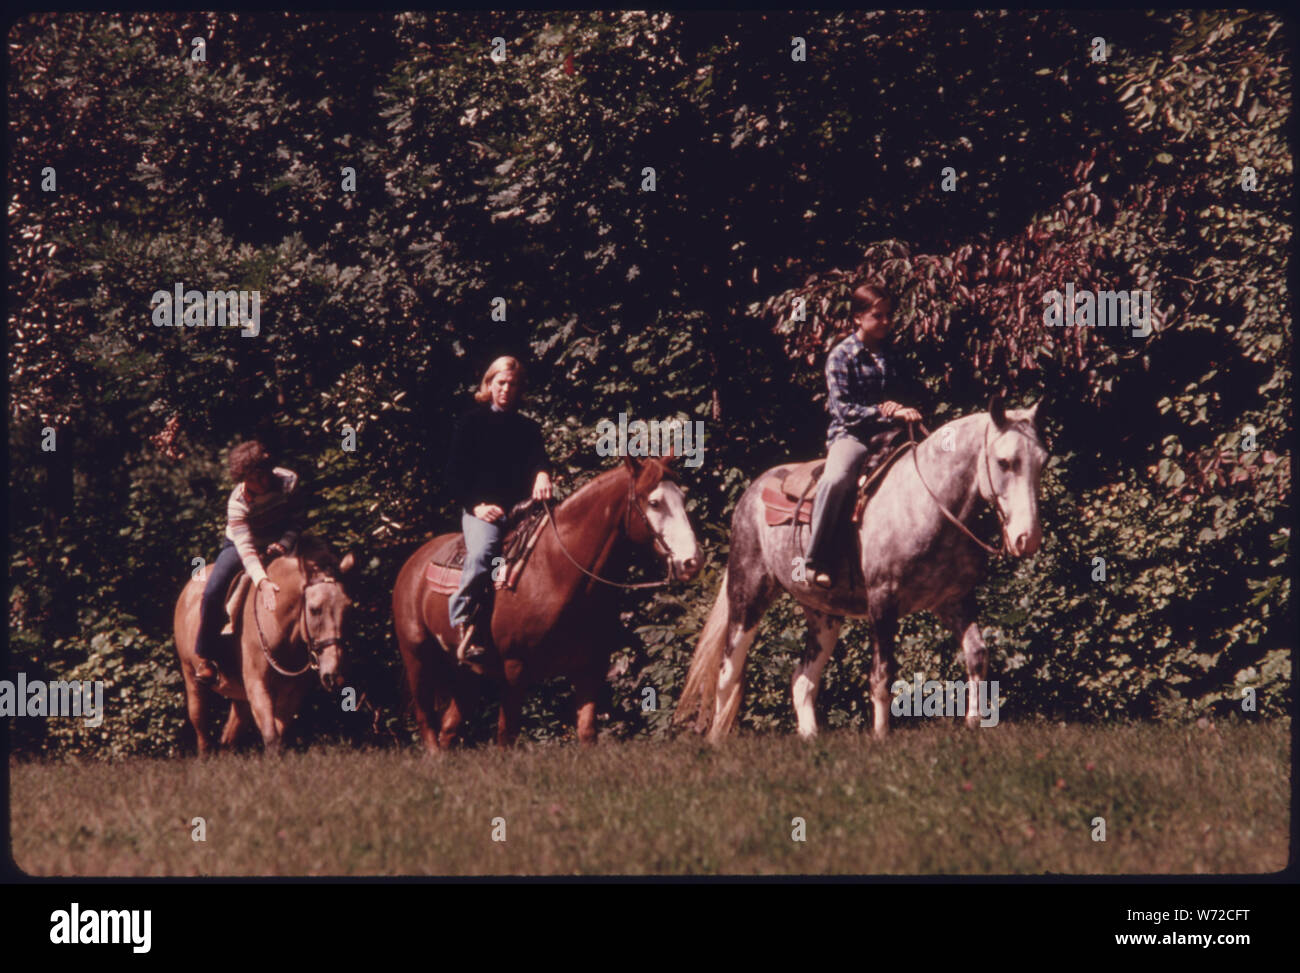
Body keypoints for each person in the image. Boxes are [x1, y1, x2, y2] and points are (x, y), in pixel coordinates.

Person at [804, 283, 922, 589]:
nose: (885, 322)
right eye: (877, 315)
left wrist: (904, 410)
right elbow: (843, 410)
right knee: (837, 478)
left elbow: (906, 394)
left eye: (888, 315)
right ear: (858, 317)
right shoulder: (841, 356)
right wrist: (884, 411)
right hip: (852, 436)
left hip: (893, 434)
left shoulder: (894, 355)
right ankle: (816, 559)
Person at [446, 356, 553, 663]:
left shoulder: (528, 428)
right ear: (489, 384)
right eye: (501, 383)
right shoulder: (471, 423)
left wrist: (543, 474)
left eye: (513, 384)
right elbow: (453, 476)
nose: (506, 389)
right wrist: (476, 506)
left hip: (523, 510)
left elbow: (538, 460)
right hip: (483, 512)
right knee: (483, 554)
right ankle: (463, 619)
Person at [194, 440, 303, 684]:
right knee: (213, 590)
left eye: (264, 476)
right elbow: (247, 549)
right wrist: (262, 580)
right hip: (242, 545)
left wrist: (283, 545)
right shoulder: (237, 504)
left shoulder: (288, 481)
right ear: (243, 479)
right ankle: (206, 657)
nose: (262, 483)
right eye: (254, 479)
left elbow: (297, 521)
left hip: (280, 538)